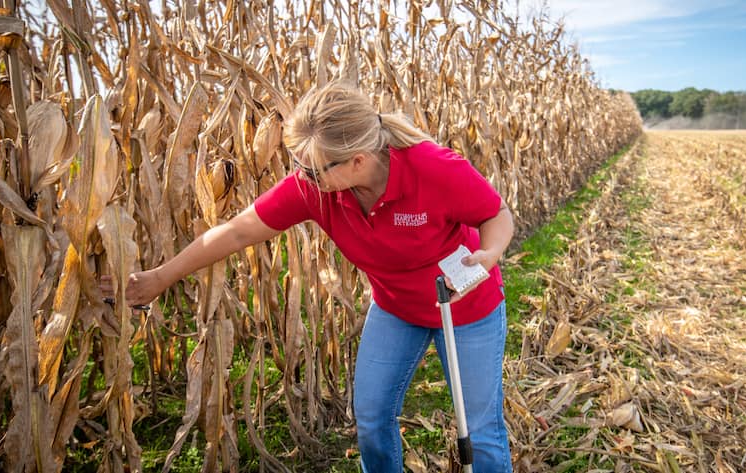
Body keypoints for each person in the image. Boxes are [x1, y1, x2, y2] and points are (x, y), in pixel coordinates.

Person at [120, 82, 514, 472]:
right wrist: (160, 277)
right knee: (372, 420)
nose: (302, 176)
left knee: (479, 431)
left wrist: (489, 255)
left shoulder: (432, 168)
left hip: (464, 307)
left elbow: (496, 215)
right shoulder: (316, 190)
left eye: (312, 168)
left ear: (357, 160)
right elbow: (238, 231)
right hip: (397, 308)